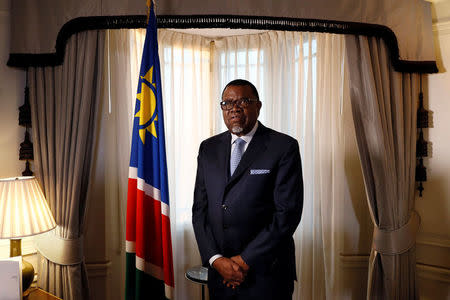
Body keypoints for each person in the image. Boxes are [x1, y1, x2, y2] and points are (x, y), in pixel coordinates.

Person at [192, 79, 303, 300]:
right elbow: (200, 211)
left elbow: (287, 214)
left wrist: (244, 260)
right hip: (220, 274)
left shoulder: (283, 147)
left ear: (258, 106)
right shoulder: (208, 148)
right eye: (227, 102)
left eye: (243, 101)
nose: (234, 107)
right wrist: (216, 259)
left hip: (267, 274)